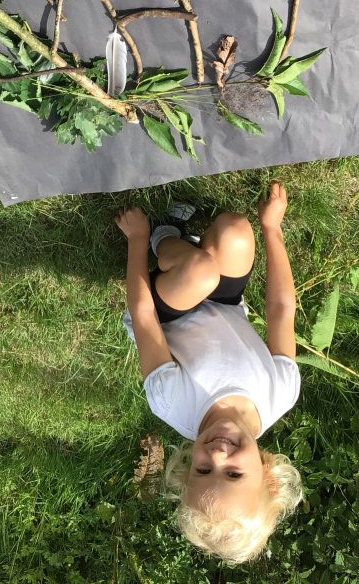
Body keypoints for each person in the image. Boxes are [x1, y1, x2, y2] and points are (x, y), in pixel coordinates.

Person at [115, 181, 303, 563]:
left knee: (201, 273)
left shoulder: (172, 402)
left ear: (186, 472)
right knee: (236, 230)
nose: (217, 455)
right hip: (226, 305)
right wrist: (272, 228)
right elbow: (282, 309)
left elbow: (144, 315)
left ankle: (165, 237)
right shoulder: (281, 393)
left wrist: (136, 240)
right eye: (233, 474)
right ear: (268, 475)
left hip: (165, 313)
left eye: (202, 470)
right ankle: (193, 253)